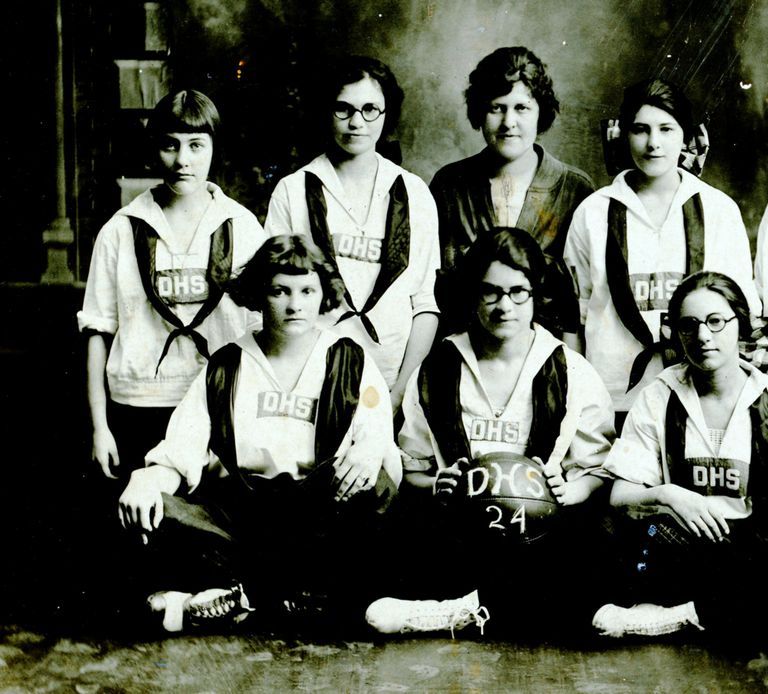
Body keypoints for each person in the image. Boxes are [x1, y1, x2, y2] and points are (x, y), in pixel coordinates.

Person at [117, 234, 402, 633]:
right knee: (156, 508)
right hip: (245, 519)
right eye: (279, 290)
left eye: (306, 290)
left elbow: (376, 433)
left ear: (324, 294)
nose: (294, 303)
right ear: (258, 295)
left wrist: (371, 450)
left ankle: (234, 599)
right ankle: (286, 600)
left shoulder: (349, 357)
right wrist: (148, 478)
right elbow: (182, 450)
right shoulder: (227, 364)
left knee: (378, 488)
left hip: (319, 514)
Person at [365, 228, 615, 638]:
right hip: (457, 533)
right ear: (472, 293)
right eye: (490, 292)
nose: (504, 306)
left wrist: (572, 490)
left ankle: (460, 611)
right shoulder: (439, 366)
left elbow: (599, 471)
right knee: (394, 536)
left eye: (518, 292)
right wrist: (433, 484)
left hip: (539, 536)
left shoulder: (570, 369)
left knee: (592, 545)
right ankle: (492, 610)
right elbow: (410, 469)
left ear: (536, 294)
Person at [77, 89, 266, 484]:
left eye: (196, 145)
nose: (183, 160)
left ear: (215, 148)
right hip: (139, 404)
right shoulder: (121, 229)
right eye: (170, 145)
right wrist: (100, 427)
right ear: (154, 149)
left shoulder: (242, 227)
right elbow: (97, 331)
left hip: (220, 403)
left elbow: (263, 330)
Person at [564, 78, 760, 428]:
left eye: (666, 129)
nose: (653, 143)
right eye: (641, 130)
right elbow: (573, 319)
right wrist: (579, 398)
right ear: (624, 135)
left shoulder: (718, 210)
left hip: (700, 398)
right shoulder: (593, 212)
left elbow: (740, 316)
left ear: (686, 136)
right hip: (611, 398)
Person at [595, 271, 768, 639]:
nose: (703, 336)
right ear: (676, 332)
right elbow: (619, 497)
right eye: (689, 325)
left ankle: (680, 615)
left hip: (751, 548)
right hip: (679, 546)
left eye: (716, 322)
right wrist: (670, 495)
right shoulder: (659, 394)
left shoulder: (765, 397)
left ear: (741, 324)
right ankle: (698, 609)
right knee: (600, 534)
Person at [264, 55, 440, 411]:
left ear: (386, 114)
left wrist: (400, 393)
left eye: (370, 109)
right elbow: (270, 295)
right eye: (343, 109)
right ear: (326, 112)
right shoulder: (294, 190)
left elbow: (425, 303)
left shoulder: (413, 192)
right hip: (309, 380)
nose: (356, 122)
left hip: (391, 381)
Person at [430, 46, 593, 339]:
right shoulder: (449, 185)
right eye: (496, 107)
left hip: (550, 360)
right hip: (463, 354)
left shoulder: (575, 189)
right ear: (480, 111)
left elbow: (584, 305)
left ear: (540, 112)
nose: (508, 123)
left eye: (521, 108)